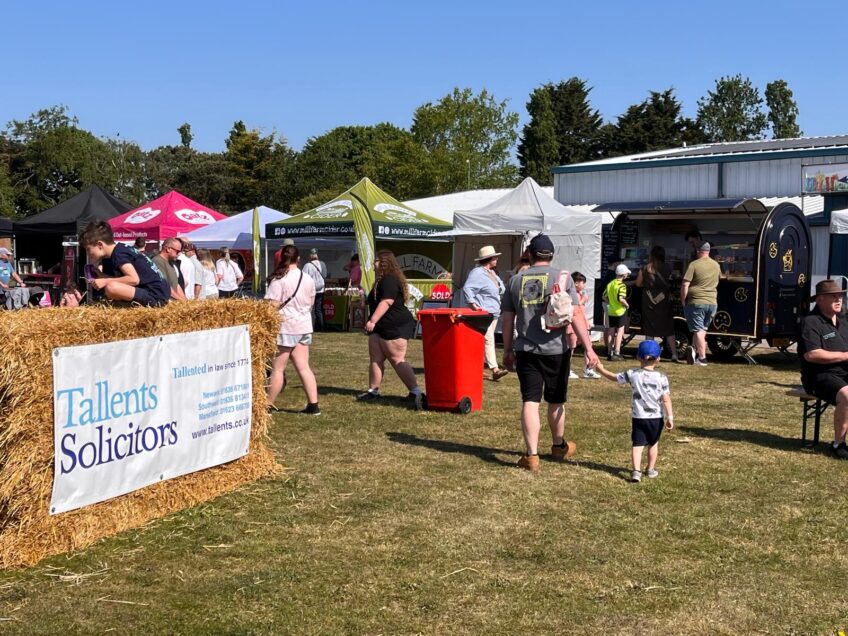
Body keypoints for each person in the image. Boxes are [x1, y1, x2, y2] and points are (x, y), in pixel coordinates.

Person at [501, 234, 599, 472]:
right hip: (557, 349)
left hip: (526, 349)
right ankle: (558, 446)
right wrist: (589, 348)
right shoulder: (562, 277)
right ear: (551, 255)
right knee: (556, 400)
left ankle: (532, 455)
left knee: (530, 401)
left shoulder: (515, 280)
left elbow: (507, 319)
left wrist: (506, 350)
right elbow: (576, 314)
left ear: (530, 254)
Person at [594, 340, 674, 482]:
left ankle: (636, 471)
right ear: (658, 358)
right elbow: (666, 399)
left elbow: (614, 378)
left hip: (638, 417)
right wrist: (670, 418)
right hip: (656, 418)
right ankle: (650, 469)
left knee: (637, 445)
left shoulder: (632, 374)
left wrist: (601, 370)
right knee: (653, 443)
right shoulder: (662, 378)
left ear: (638, 357)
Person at [356, 250, 425, 409]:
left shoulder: (389, 279)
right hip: (381, 326)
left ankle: (416, 393)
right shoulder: (380, 280)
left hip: (395, 325)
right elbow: (375, 300)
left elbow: (387, 301)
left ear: (384, 263)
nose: (374, 264)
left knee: (397, 359)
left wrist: (372, 320)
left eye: (377, 261)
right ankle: (373, 391)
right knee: (376, 358)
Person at [265, 246, 320, 415]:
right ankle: (313, 405)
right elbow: (311, 303)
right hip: (304, 326)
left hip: (286, 326)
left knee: (278, 369)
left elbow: (271, 305)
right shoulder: (308, 278)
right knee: (304, 367)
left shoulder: (279, 280)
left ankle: (267, 405)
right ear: (298, 259)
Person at [798, 280, 848, 459]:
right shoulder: (810, 322)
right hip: (819, 375)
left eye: (840, 295)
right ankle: (838, 444)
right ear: (819, 300)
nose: (838, 299)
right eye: (832, 296)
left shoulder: (844, 319)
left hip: (844, 372)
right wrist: (844, 356)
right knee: (847, 395)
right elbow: (812, 355)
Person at [78, 220, 170, 306]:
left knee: (111, 288)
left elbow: (134, 279)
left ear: (100, 245)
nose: (88, 253)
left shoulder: (118, 254)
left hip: (155, 297)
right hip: (159, 292)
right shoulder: (121, 249)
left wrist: (105, 281)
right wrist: (102, 276)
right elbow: (124, 279)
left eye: (88, 249)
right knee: (112, 286)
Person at [463, 245, 508, 381]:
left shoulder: (492, 273)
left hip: (494, 312)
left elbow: (501, 289)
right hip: (484, 313)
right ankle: (494, 369)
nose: (497, 259)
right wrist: (473, 305)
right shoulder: (477, 273)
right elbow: (467, 288)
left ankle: (475, 367)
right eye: (495, 257)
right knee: (489, 339)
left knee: (482, 341)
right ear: (489, 259)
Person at [636, 246, 679, 362]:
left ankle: (648, 353)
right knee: (668, 328)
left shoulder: (645, 268)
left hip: (649, 301)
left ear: (652, 255)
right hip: (664, 300)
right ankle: (674, 354)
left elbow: (638, 283)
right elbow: (672, 280)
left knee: (649, 328)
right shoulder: (667, 268)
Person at [680, 241, 720, 366]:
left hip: (697, 301)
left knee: (697, 330)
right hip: (712, 302)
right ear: (709, 251)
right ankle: (695, 350)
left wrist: (682, 300)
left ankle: (702, 358)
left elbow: (685, 284)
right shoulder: (716, 265)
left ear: (698, 251)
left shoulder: (694, 264)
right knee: (703, 330)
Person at [567, 272, 600, 379]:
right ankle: (566, 369)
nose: (584, 285)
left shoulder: (579, 294)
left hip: (582, 324)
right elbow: (575, 308)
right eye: (583, 283)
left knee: (588, 345)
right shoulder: (572, 295)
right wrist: (583, 299)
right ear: (576, 283)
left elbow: (581, 312)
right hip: (572, 326)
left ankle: (588, 368)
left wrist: (586, 322)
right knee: (571, 346)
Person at [604, 264, 631, 361]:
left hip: (611, 311)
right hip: (620, 311)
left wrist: (611, 302)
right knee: (620, 331)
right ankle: (617, 352)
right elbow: (621, 298)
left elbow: (604, 297)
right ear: (624, 275)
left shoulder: (610, 284)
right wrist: (627, 304)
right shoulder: (622, 285)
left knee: (611, 331)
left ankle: (609, 352)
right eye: (627, 273)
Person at [303, 248, 327, 331]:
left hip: (311, 290)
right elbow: (325, 275)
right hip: (321, 289)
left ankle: (311, 327)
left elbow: (304, 277)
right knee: (319, 309)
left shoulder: (307, 265)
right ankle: (321, 327)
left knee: (310, 309)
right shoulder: (322, 264)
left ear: (310, 256)